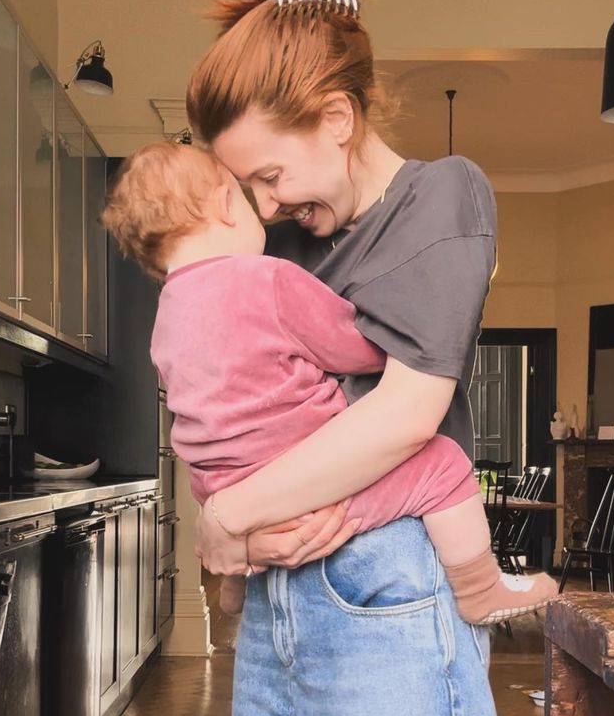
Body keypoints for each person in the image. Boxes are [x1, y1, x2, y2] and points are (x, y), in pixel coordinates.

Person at [180, 0, 531, 716]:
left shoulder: (442, 197)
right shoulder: (286, 252)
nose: (263, 201)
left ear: (335, 119)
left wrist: (226, 517)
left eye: (268, 175)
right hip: (285, 626)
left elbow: (407, 414)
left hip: (390, 616)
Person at [102, 140, 557, 626]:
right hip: (306, 485)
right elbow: (352, 348)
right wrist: (394, 333)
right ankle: (482, 587)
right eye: (249, 188)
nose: (267, 206)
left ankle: (234, 583)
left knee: (216, 446)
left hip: (221, 488)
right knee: (443, 465)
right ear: (225, 204)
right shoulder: (268, 279)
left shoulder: (167, 314)